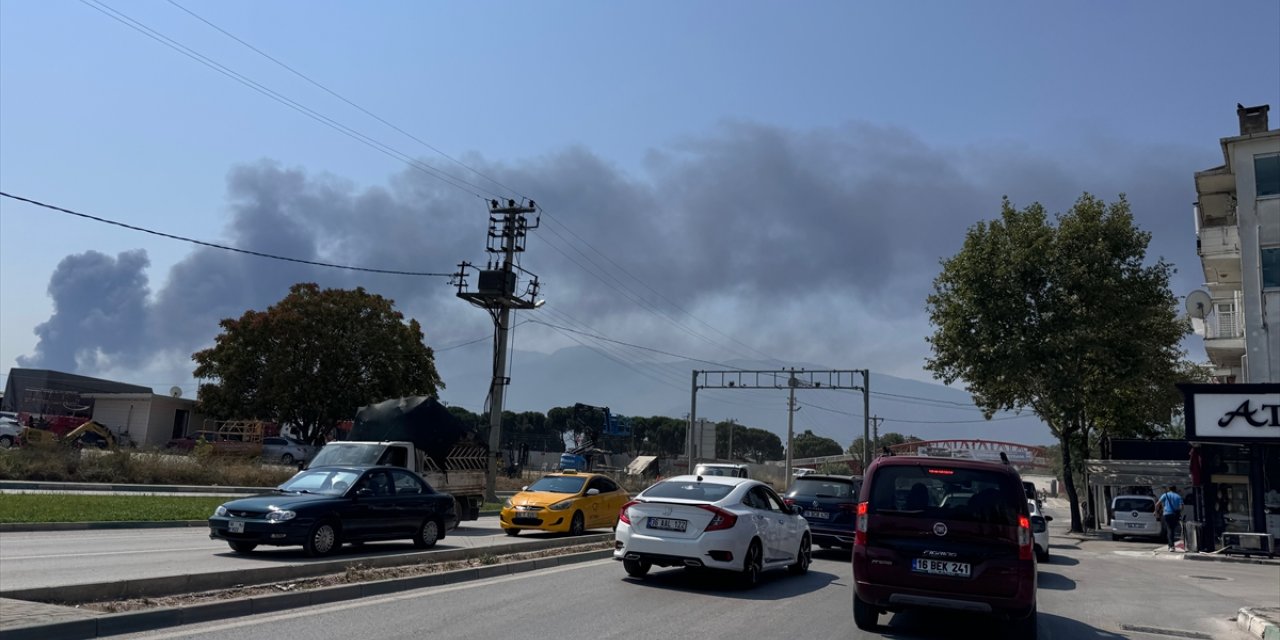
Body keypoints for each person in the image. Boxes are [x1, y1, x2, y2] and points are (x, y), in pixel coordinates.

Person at [1156, 484, 1184, 551]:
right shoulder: (1178, 496)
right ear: (1175, 489)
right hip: (1175, 515)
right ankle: (1171, 545)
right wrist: (1179, 511)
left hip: (1167, 514)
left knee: (1169, 529)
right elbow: (1182, 507)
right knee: (1172, 529)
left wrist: (1156, 511)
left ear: (1169, 489)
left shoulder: (1165, 495)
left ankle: (1171, 546)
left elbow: (1157, 504)